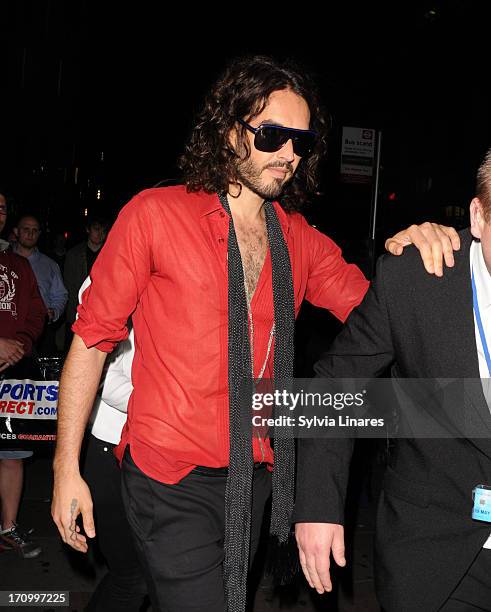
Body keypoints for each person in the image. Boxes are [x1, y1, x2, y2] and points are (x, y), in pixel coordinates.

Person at [51, 55, 458, 612]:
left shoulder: (298, 239)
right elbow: (91, 341)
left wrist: (407, 251)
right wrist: (64, 469)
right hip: (167, 477)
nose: (289, 154)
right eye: (271, 136)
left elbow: (380, 311)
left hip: (254, 481)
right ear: (227, 132)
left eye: (301, 141)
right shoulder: (155, 215)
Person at [293, 148, 491, 611]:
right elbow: (334, 388)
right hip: (438, 558)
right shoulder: (415, 280)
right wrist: (319, 507)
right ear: (479, 217)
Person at [76, 277, 147, 612]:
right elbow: (103, 380)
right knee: (131, 575)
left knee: (138, 574)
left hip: (149, 451)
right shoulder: (117, 285)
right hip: (109, 451)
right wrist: (172, 403)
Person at [0, 194, 47, 558]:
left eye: (3, 206)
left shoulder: (18, 264)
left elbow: (36, 311)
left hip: (14, 369)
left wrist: (19, 343)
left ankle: (9, 527)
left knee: (12, 452)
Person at [13, 215, 68, 355]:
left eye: (35, 230)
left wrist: (54, 311)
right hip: (8, 330)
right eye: (26, 229)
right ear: (16, 231)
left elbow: (60, 295)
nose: (30, 234)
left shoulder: (49, 265)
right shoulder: (4, 260)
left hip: (40, 333)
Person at [63, 217, 107, 351]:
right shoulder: (73, 255)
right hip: (78, 314)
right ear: (88, 230)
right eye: (96, 229)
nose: (100, 234)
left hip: (104, 315)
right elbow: (69, 288)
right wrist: (73, 317)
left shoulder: (111, 253)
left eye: (104, 230)